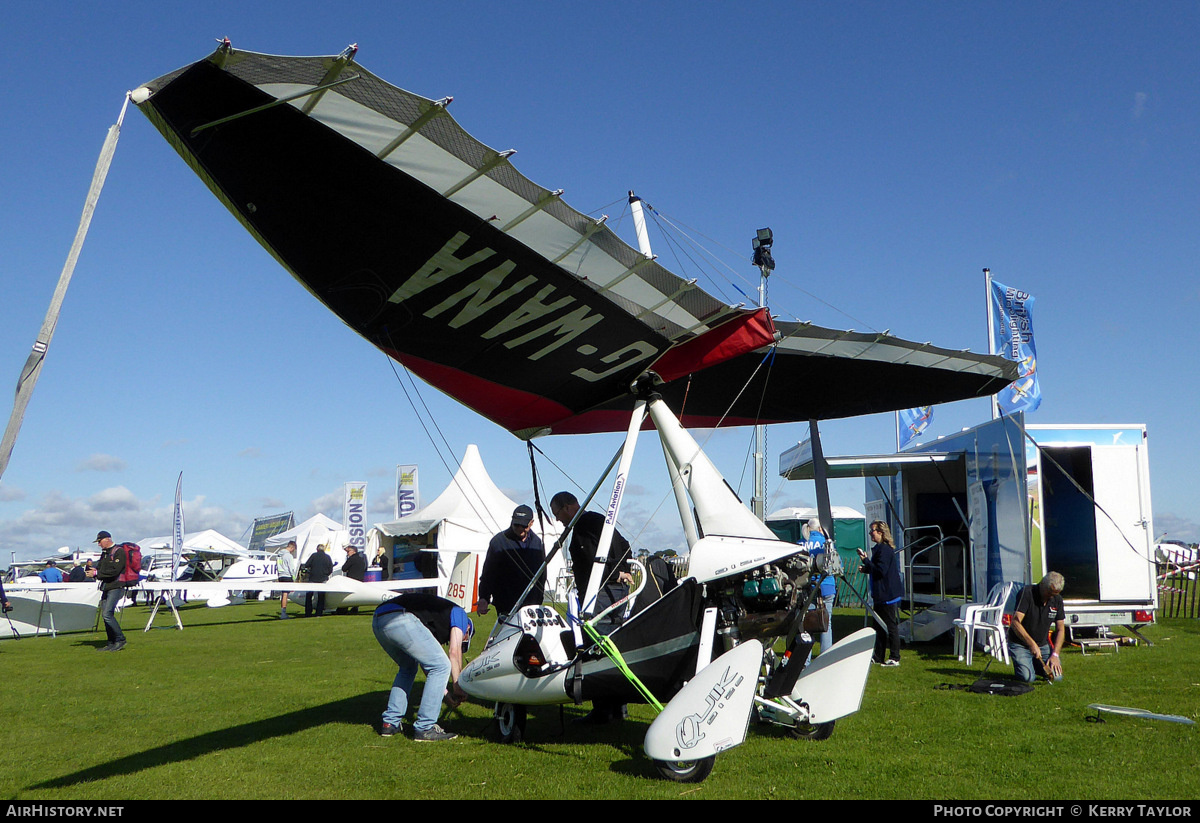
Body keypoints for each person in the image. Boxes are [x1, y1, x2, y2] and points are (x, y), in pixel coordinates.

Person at [550, 491, 634, 724]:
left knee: (598, 651)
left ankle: (605, 710)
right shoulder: (600, 520)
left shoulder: (584, 526)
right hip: (616, 592)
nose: (558, 520)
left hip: (600, 595)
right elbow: (626, 546)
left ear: (568, 507)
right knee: (614, 648)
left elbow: (590, 560)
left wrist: (613, 574)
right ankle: (617, 708)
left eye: (558, 514)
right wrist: (621, 572)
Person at [372, 591, 473, 741]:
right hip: (400, 616)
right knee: (442, 665)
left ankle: (390, 723)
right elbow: (454, 651)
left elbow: (428, 667)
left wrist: (445, 694)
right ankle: (425, 727)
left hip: (379, 619)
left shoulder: (435, 624)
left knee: (408, 667)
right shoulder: (461, 615)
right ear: (468, 630)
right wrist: (458, 685)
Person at [477, 505, 546, 617]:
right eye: (516, 525)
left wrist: (539, 597)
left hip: (531, 604)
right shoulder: (498, 542)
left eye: (523, 526)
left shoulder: (537, 543)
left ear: (531, 523)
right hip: (506, 604)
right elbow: (488, 573)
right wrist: (484, 598)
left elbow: (542, 574)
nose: (520, 529)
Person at [1007, 572, 1067, 683]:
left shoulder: (1057, 599)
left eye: (1055, 594)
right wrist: (1031, 644)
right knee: (1028, 678)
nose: (1051, 597)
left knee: (1057, 677)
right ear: (1042, 585)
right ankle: (1027, 665)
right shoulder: (1026, 593)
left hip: (1042, 645)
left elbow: (1060, 629)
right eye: (1050, 593)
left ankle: (1035, 665)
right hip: (1020, 644)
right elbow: (1015, 622)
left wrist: (1055, 655)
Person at [857, 520, 902, 666]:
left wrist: (866, 561)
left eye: (873, 530)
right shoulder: (878, 549)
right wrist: (866, 568)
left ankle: (895, 657)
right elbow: (876, 569)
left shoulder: (885, 550)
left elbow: (881, 571)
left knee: (890, 626)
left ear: (881, 532)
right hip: (879, 595)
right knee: (878, 626)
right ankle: (878, 656)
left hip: (887, 594)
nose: (871, 533)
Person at [802, 518, 836, 661]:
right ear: (820, 529)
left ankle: (805, 658)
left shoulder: (801, 543)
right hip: (827, 585)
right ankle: (826, 657)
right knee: (826, 622)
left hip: (808, 586)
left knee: (808, 623)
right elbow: (834, 563)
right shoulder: (827, 543)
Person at [94, 531, 128, 652]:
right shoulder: (104, 553)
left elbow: (115, 571)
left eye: (99, 541)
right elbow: (102, 569)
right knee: (106, 615)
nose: (98, 544)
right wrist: (95, 572)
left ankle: (120, 639)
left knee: (107, 614)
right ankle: (111, 642)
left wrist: (97, 573)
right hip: (106, 586)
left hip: (116, 586)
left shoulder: (119, 551)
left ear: (106, 539)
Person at [303, 543, 333, 617]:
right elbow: (330, 569)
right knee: (321, 597)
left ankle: (308, 612)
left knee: (309, 595)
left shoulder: (314, 555)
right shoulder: (327, 557)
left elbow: (306, 565)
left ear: (317, 549)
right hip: (323, 578)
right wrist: (326, 574)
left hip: (313, 578)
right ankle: (319, 613)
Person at [338, 544, 368, 614]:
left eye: (348, 551)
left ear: (353, 551)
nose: (347, 553)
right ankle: (355, 608)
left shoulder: (351, 559)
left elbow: (344, 568)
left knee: (348, 594)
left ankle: (344, 608)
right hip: (360, 579)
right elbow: (365, 568)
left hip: (351, 579)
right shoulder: (361, 559)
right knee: (357, 594)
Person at [275, 540, 298, 619]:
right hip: (287, 576)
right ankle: (283, 613)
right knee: (285, 594)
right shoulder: (288, 556)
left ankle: (283, 611)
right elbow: (291, 567)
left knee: (283, 594)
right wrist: (294, 577)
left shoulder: (279, 555)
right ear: (292, 547)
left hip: (280, 575)